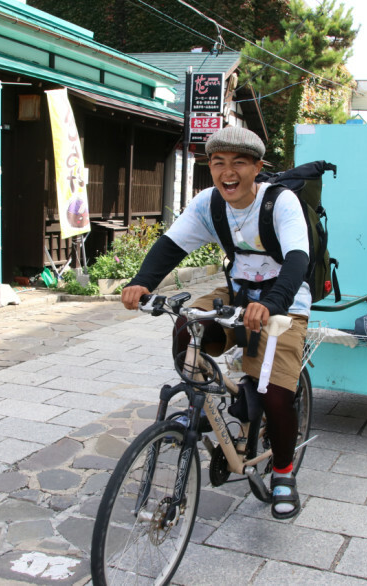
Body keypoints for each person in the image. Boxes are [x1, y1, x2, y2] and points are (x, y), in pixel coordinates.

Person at [121, 126, 309, 520]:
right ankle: (219, 399)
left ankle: (284, 473)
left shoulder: (281, 201)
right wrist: (142, 281)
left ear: (257, 167)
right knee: (186, 332)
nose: (228, 172)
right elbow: (172, 244)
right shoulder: (210, 203)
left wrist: (274, 304)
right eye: (218, 163)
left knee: (275, 392)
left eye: (239, 163)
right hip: (237, 294)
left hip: (285, 301)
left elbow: (297, 259)